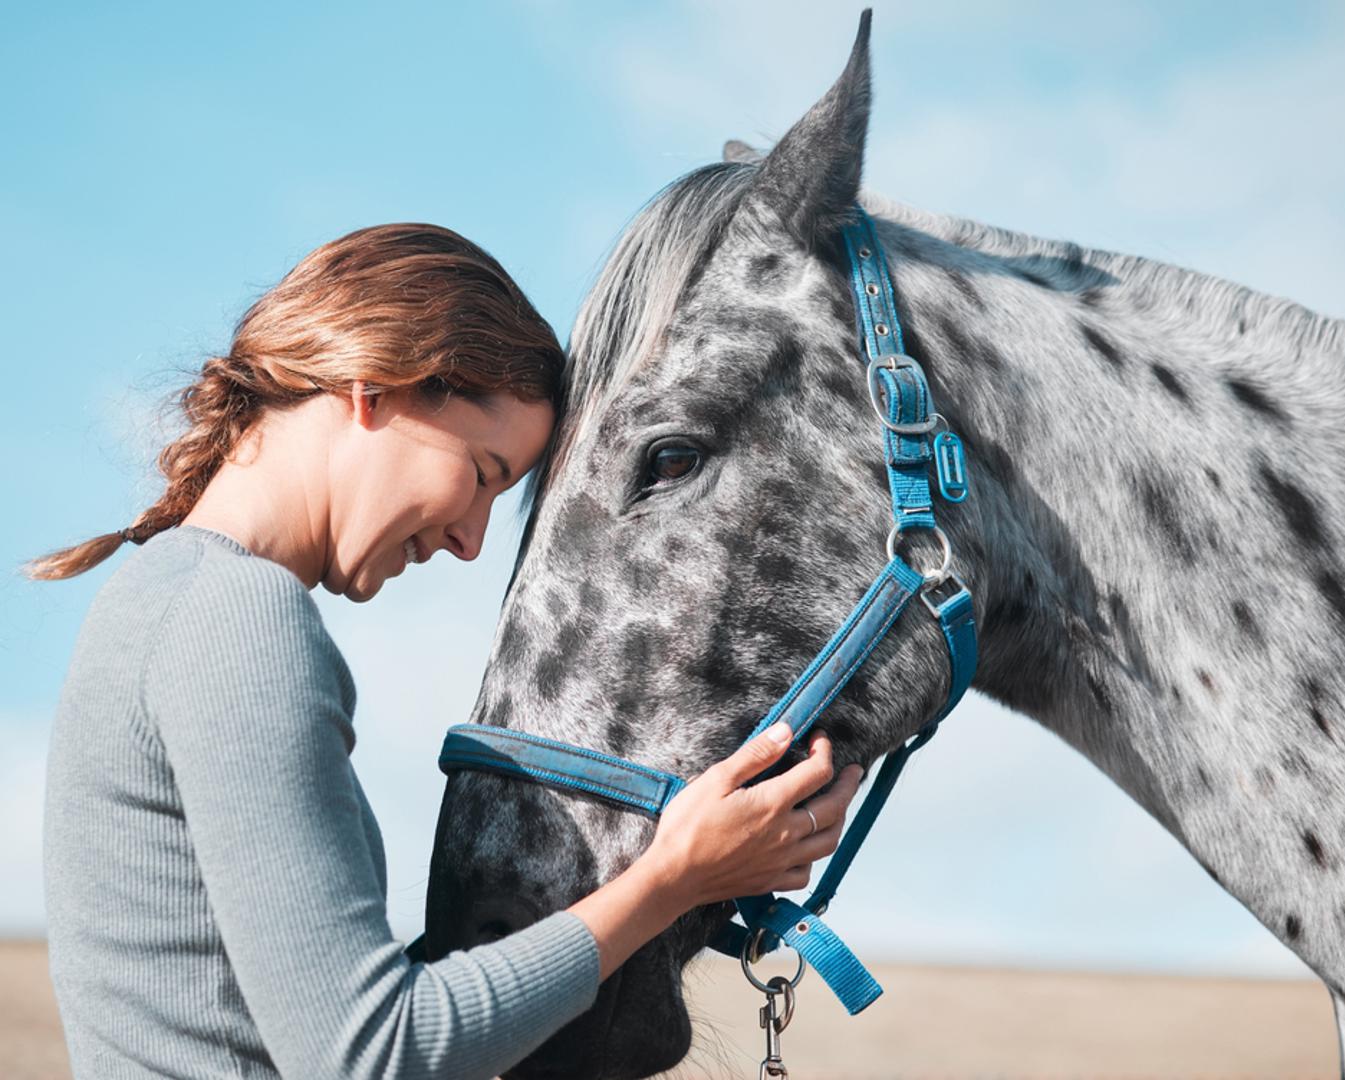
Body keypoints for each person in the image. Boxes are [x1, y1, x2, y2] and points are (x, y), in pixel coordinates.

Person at [25, 223, 865, 1079]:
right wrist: (674, 877)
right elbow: (369, 1051)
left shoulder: (162, 598)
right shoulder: (236, 617)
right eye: (483, 472)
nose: (470, 541)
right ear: (376, 386)